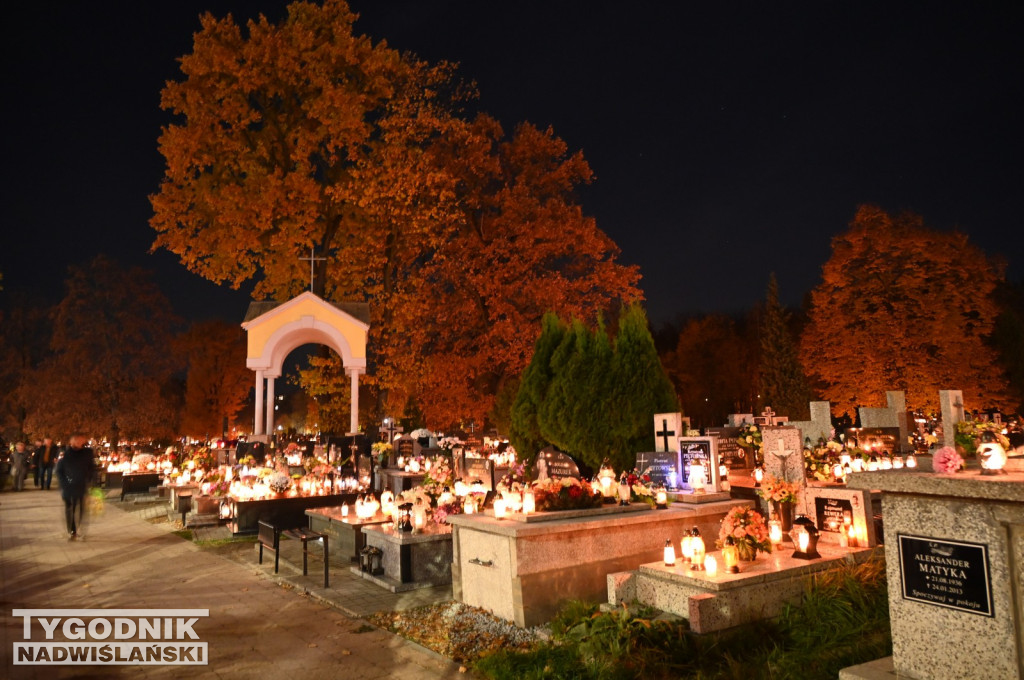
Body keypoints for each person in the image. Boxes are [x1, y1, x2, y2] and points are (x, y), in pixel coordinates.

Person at [56, 434, 95, 540]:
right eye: (76, 440)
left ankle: (81, 529)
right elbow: (59, 470)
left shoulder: (87, 453)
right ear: (71, 441)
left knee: (82, 509)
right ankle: (72, 531)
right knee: (70, 509)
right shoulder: (65, 453)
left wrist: (89, 479)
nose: (79, 442)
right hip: (68, 487)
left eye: (80, 440)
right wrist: (64, 483)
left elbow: (91, 467)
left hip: (81, 485)